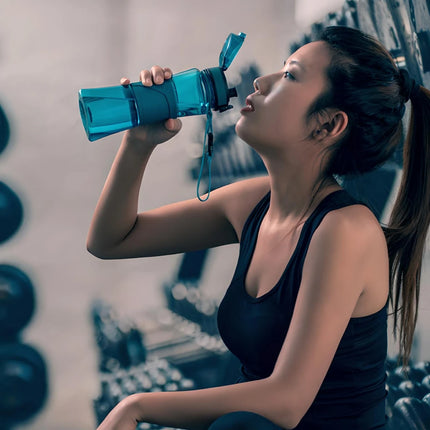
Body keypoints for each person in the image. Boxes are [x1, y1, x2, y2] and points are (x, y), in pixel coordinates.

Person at [86, 26, 430, 430]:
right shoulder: (252, 202)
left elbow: (286, 401)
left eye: (290, 75)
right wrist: (139, 142)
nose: (260, 82)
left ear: (328, 125)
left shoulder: (346, 230)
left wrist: (137, 405)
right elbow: (110, 240)